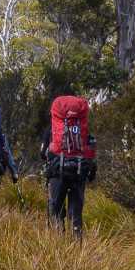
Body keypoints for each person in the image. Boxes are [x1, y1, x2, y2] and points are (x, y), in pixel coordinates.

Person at [43, 90, 96, 238]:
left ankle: (57, 242)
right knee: (76, 214)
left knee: (56, 210)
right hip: (78, 172)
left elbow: (42, 153)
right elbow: (91, 152)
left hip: (57, 171)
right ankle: (77, 244)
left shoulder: (51, 131)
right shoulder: (83, 130)